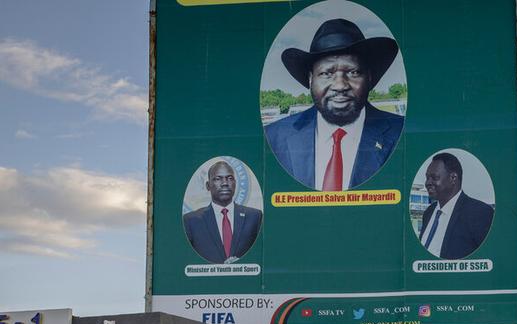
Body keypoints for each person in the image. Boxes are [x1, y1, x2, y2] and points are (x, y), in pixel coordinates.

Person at [264, 18, 404, 191]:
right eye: (326, 73)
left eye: (353, 72)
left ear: (369, 77)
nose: (340, 85)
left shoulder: (402, 134)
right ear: (310, 79)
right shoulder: (273, 137)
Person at [183, 161, 263, 263]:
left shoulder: (255, 217)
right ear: (208, 185)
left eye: (229, 178)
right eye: (218, 179)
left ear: (235, 183)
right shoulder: (191, 221)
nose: (225, 183)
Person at [419, 152, 494, 259]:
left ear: (453, 178)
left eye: (434, 177)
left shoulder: (479, 213)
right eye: (427, 178)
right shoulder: (428, 212)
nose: (427, 183)